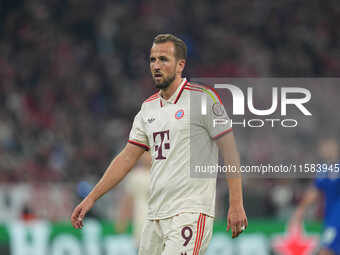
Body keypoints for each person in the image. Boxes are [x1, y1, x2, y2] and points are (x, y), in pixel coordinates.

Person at [71, 33, 247, 255]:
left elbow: (229, 150)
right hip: (154, 216)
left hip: (190, 212)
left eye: (164, 59)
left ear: (180, 65)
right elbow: (127, 158)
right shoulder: (148, 109)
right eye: (153, 59)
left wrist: (236, 203)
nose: (156, 65)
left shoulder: (203, 98)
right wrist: (91, 198)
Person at [291, 138, 340, 255]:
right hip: (330, 215)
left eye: (328, 146)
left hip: (336, 218)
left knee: (326, 250)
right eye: (323, 147)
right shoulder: (325, 169)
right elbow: (314, 191)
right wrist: (301, 210)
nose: (325, 150)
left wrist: (300, 211)